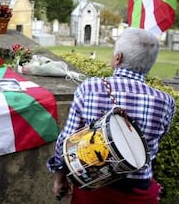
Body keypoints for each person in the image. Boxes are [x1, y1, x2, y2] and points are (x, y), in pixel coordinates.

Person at [47, 27, 176, 204]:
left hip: (93, 185)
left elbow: (67, 140)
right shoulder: (166, 102)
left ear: (118, 58)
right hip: (138, 192)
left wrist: (60, 177)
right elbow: (154, 143)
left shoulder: (90, 87)